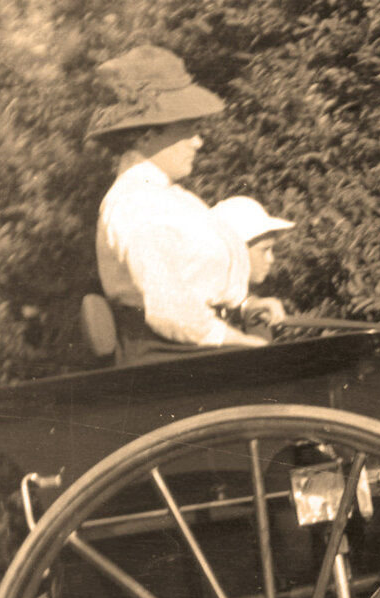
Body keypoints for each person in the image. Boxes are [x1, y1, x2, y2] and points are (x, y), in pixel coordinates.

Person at [85, 46, 283, 363]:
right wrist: (236, 339)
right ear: (145, 136)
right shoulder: (135, 203)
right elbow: (171, 308)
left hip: (197, 345)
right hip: (170, 356)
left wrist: (247, 306)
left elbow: (198, 282)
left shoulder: (173, 198)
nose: (198, 141)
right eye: (187, 130)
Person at [209, 196, 295, 341]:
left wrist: (249, 305)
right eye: (264, 250)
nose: (271, 259)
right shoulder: (197, 306)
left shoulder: (249, 307)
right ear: (236, 251)